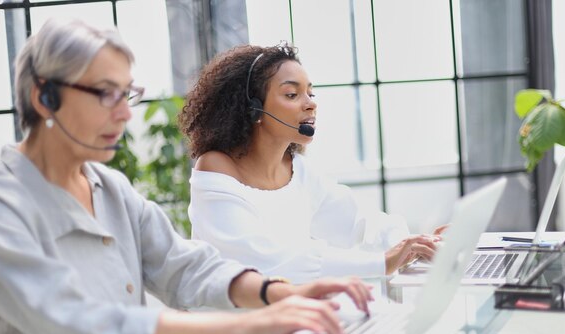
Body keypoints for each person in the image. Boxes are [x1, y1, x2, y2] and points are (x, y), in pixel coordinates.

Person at [0, 20, 373, 334]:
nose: (126, 113)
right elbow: (79, 326)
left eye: (128, 94)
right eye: (105, 94)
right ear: (44, 98)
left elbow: (184, 265)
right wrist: (249, 326)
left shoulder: (110, 189)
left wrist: (278, 293)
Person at [180, 44, 444, 284]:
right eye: (293, 94)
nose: (311, 104)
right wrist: (381, 262)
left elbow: (359, 224)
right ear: (254, 109)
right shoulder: (216, 168)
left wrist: (415, 244)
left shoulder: (298, 170)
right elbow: (265, 262)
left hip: (289, 320)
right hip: (232, 329)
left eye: (311, 92)